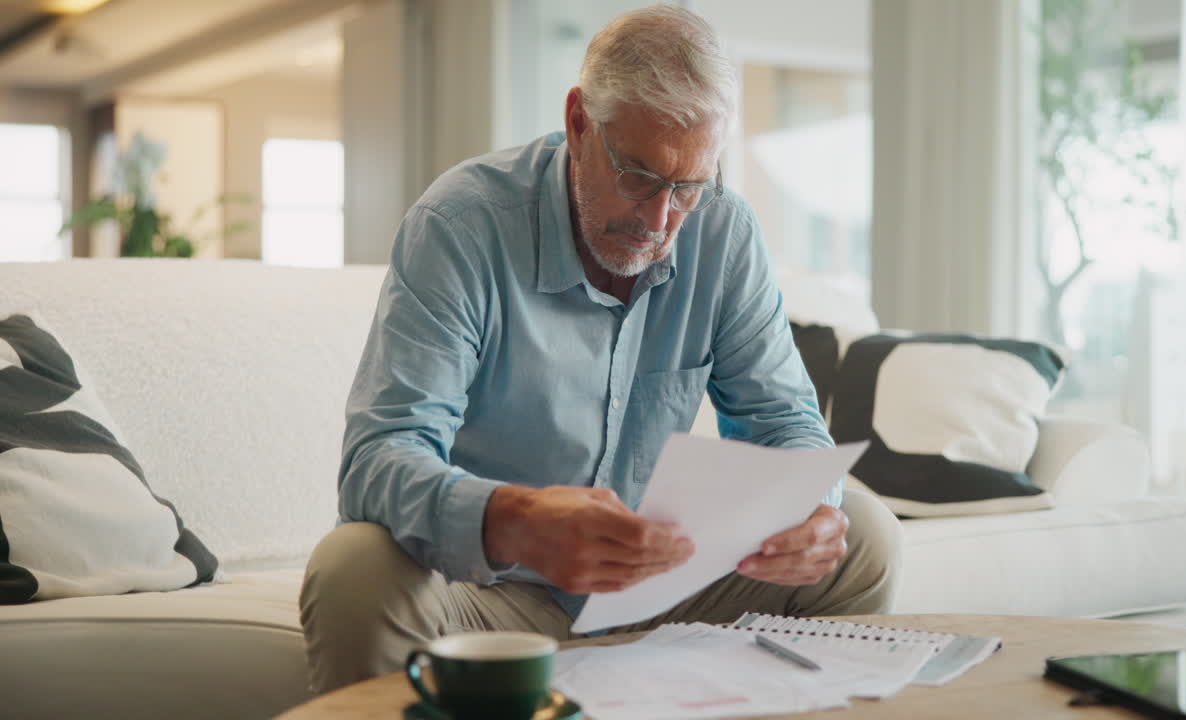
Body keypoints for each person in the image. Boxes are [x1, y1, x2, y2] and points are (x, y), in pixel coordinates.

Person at [300, 3, 902, 693]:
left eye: (687, 188)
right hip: (493, 594)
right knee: (353, 566)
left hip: (663, 585)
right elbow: (378, 460)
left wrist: (812, 508)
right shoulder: (460, 226)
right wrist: (512, 522)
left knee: (866, 537)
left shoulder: (725, 234)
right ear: (579, 123)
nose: (658, 219)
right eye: (638, 176)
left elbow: (787, 423)